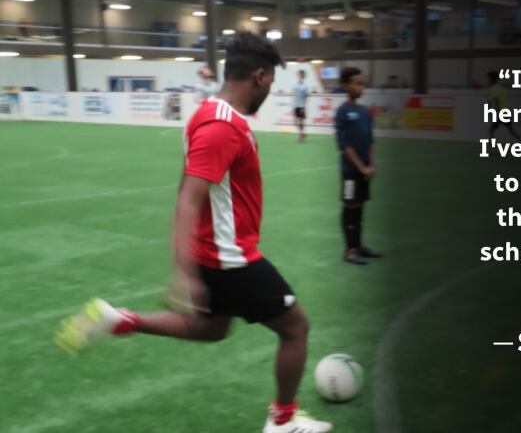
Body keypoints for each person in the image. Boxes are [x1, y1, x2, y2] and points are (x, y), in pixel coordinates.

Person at [55, 31, 332, 433]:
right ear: (258, 76)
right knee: (296, 329)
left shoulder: (208, 113)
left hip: (213, 252)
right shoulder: (223, 127)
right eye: (270, 82)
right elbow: (189, 197)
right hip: (230, 257)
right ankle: (283, 421)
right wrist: (181, 272)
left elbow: (190, 189)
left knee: (212, 328)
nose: (269, 91)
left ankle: (119, 320)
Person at [335, 67, 382, 265]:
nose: (360, 87)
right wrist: (360, 167)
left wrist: (371, 164)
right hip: (350, 172)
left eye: (362, 83)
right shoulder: (343, 111)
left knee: (360, 207)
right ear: (346, 86)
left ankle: (359, 246)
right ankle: (350, 250)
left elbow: (370, 140)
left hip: (364, 170)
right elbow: (344, 145)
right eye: (356, 83)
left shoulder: (364, 111)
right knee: (350, 206)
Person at [487, 70, 520, 140]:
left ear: (493, 79)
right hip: (506, 112)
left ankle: (491, 144)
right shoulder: (502, 88)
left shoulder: (493, 89)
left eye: (489, 79)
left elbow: (497, 101)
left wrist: (497, 114)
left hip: (500, 113)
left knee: (492, 130)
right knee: (511, 131)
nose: (488, 81)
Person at [292, 70, 309, 141]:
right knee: (295, 121)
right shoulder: (295, 85)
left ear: (304, 76)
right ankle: (302, 133)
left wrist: (303, 107)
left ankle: (301, 135)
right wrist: (293, 106)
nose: (300, 76)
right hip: (295, 105)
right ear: (298, 75)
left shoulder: (305, 86)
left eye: (302, 75)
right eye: (299, 75)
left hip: (301, 106)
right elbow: (294, 96)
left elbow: (306, 97)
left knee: (301, 121)